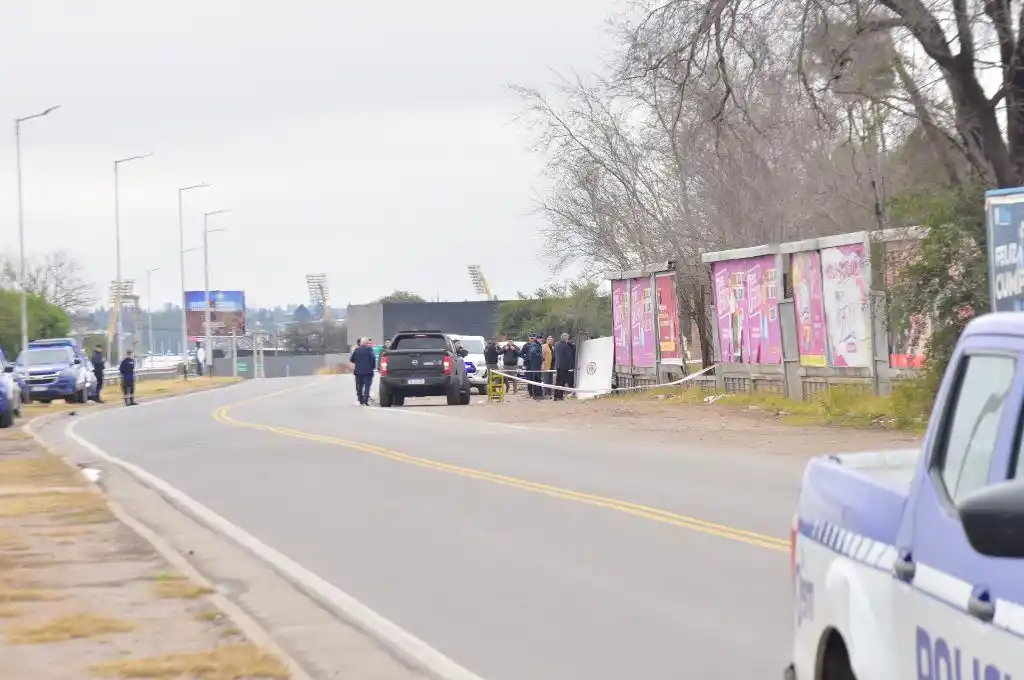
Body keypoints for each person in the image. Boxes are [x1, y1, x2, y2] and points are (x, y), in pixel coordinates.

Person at [349, 337, 376, 406]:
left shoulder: (356, 350)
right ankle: (365, 400)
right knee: (367, 386)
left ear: (361, 343)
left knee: (359, 386)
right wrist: (372, 367)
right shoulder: (369, 350)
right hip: (368, 371)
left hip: (358, 371)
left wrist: (358, 363)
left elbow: (352, 359)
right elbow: (373, 359)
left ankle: (360, 400)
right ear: (366, 343)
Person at [520, 334, 544, 399]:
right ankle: (531, 392)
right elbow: (521, 353)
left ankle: (536, 393)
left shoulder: (537, 345)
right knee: (530, 378)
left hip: (535, 364)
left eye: (533, 338)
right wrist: (526, 358)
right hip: (528, 364)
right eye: (531, 338)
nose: (532, 339)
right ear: (529, 338)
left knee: (536, 378)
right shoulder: (526, 345)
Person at [553, 333, 574, 401]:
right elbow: (569, 357)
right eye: (567, 338)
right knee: (562, 382)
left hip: (558, 365)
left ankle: (555, 396)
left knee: (557, 381)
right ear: (566, 338)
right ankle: (560, 396)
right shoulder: (566, 346)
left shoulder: (556, 344)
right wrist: (572, 366)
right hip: (564, 366)